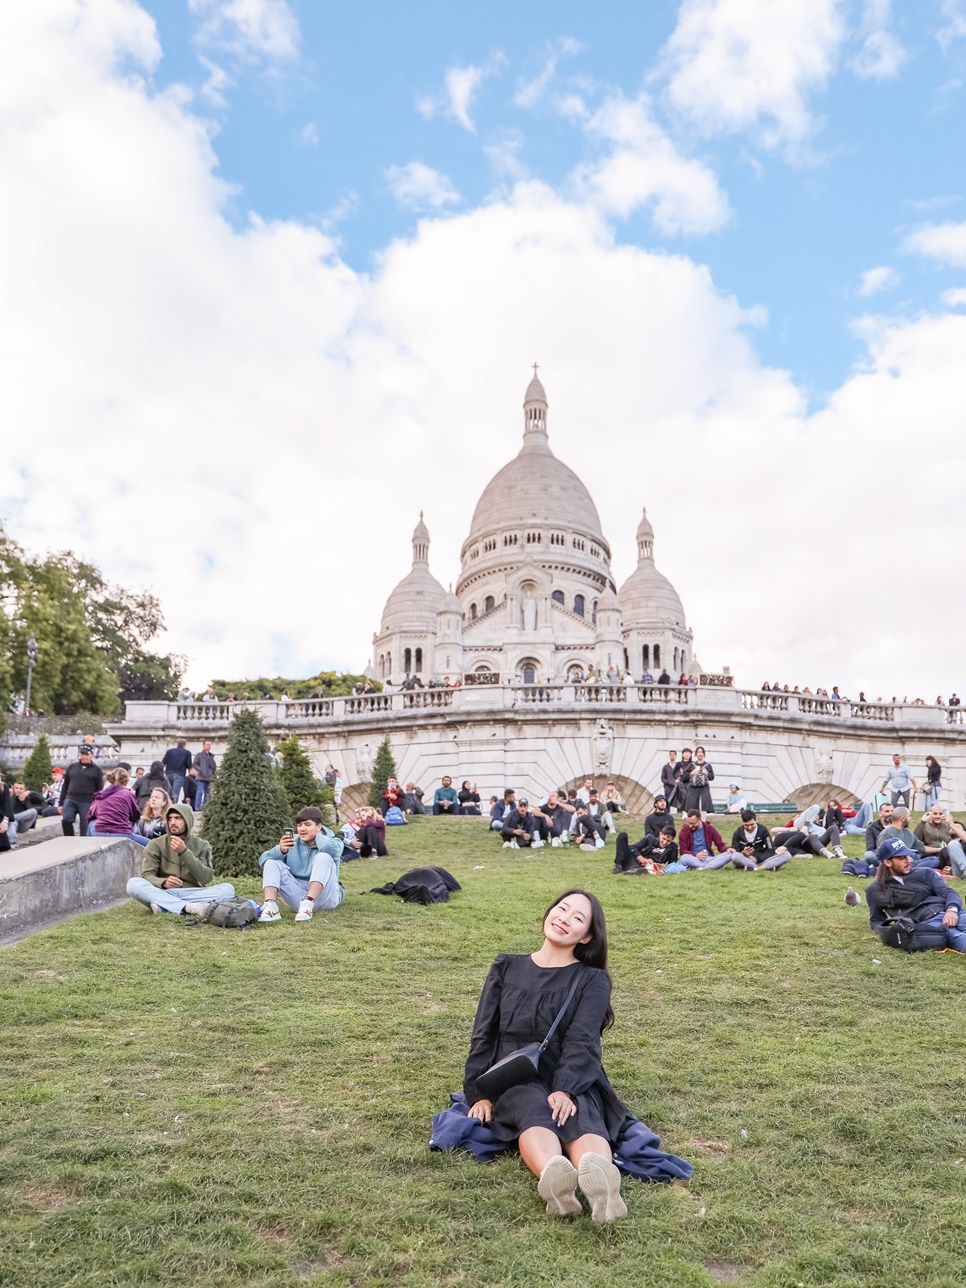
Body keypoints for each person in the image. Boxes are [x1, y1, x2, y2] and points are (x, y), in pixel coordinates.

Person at [461, 890, 686, 1220]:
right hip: (516, 1072)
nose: (564, 919)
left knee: (578, 1112)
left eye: (577, 918)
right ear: (549, 912)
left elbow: (582, 1040)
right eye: (561, 909)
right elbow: (484, 1032)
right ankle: (556, 1182)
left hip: (571, 1070)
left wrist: (566, 1087)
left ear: (587, 936)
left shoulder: (592, 979)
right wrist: (479, 1093)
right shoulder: (506, 965)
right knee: (532, 1108)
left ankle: (602, 1186)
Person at [126, 804, 234, 915]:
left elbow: (206, 878)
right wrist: (163, 883)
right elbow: (147, 875)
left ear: (188, 820)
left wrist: (184, 852)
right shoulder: (156, 844)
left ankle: (166, 905)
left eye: (178, 818)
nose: (172, 822)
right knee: (133, 884)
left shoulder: (202, 845)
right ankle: (189, 907)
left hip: (193, 892)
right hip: (165, 891)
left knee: (228, 889)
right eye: (170, 818)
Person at [866, 839, 966, 952]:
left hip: (954, 913)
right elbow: (876, 920)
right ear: (888, 862)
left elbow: (948, 892)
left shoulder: (925, 873)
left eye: (908, 856)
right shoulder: (875, 890)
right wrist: (892, 932)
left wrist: (952, 910)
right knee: (958, 937)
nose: (908, 860)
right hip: (928, 924)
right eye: (901, 857)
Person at [258, 806, 345, 923]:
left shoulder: (333, 841)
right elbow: (262, 860)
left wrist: (318, 837)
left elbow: (334, 850)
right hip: (298, 900)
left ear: (319, 826)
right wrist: (281, 850)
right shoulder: (292, 841)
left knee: (323, 856)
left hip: (326, 898)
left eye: (307, 825)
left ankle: (309, 902)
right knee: (271, 861)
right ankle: (270, 906)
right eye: (299, 825)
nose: (302, 829)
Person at [59, 745, 105, 837]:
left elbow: (99, 789)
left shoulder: (97, 770)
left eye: (86, 754)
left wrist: (98, 805)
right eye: (82, 754)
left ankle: (83, 842)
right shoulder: (72, 767)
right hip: (71, 798)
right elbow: (65, 785)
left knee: (85, 823)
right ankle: (69, 838)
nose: (84, 756)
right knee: (66, 819)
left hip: (87, 801)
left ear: (91, 755)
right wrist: (61, 803)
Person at [88, 768, 142, 837]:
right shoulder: (128, 794)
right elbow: (136, 816)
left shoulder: (101, 794)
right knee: (149, 844)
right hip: (121, 832)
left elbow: (91, 813)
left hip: (100, 831)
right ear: (126, 781)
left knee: (91, 824)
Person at [914, 806, 966, 876]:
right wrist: (922, 822)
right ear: (930, 814)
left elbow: (956, 838)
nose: (938, 816)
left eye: (940, 814)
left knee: (947, 851)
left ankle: (952, 869)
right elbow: (915, 840)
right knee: (933, 858)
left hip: (945, 853)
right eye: (935, 814)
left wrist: (951, 823)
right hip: (930, 853)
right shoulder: (924, 826)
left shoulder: (947, 825)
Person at [613, 825, 678, 874]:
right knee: (622, 835)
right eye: (663, 839)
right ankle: (619, 866)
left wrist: (665, 867)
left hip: (651, 866)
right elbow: (632, 847)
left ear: (672, 840)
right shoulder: (650, 839)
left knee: (642, 868)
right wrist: (642, 859)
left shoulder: (673, 847)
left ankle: (635, 870)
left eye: (668, 841)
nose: (665, 842)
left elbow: (673, 862)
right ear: (660, 834)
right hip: (635, 860)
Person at [684, 747, 714, 819]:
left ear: (704, 754)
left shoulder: (708, 765)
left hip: (704, 788)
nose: (700, 754)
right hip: (693, 789)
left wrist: (706, 773)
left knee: (703, 805)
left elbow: (712, 777)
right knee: (692, 805)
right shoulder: (691, 765)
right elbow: (684, 777)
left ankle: (703, 821)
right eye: (698, 752)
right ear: (696, 754)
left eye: (701, 752)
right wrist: (692, 773)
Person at [7, 779, 40, 844]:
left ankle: (13, 817)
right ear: (13, 789)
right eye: (16, 788)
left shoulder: (28, 798)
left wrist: (30, 792)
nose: (18, 790)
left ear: (24, 790)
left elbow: (42, 799)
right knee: (13, 821)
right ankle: (12, 842)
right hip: (13, 824)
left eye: (21, 788)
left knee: (33, 811)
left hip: (23, 824)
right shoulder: (10, 798)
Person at [161, 739, 193, 804]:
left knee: (167, 792)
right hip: (179, 774)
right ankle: (172, 807)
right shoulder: (187, 753)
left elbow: (163, 763)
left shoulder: (169, 751)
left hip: (168, 773)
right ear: (184, 745)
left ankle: (166, 806)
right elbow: (189, 765)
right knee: (175, 793)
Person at [192, 740, 216, 811]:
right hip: (201, 777)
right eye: (207, 744)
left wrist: (212, 772)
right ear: (203, 745)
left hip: (209, 777)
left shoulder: (211, 756)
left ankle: (205, 807)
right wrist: (200, 770)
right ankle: (198, 807)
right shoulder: (199, 755)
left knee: (207, 793)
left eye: (210, 745)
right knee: (200, 792)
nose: (209, 746)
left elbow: (213, 766)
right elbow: (195, 764)